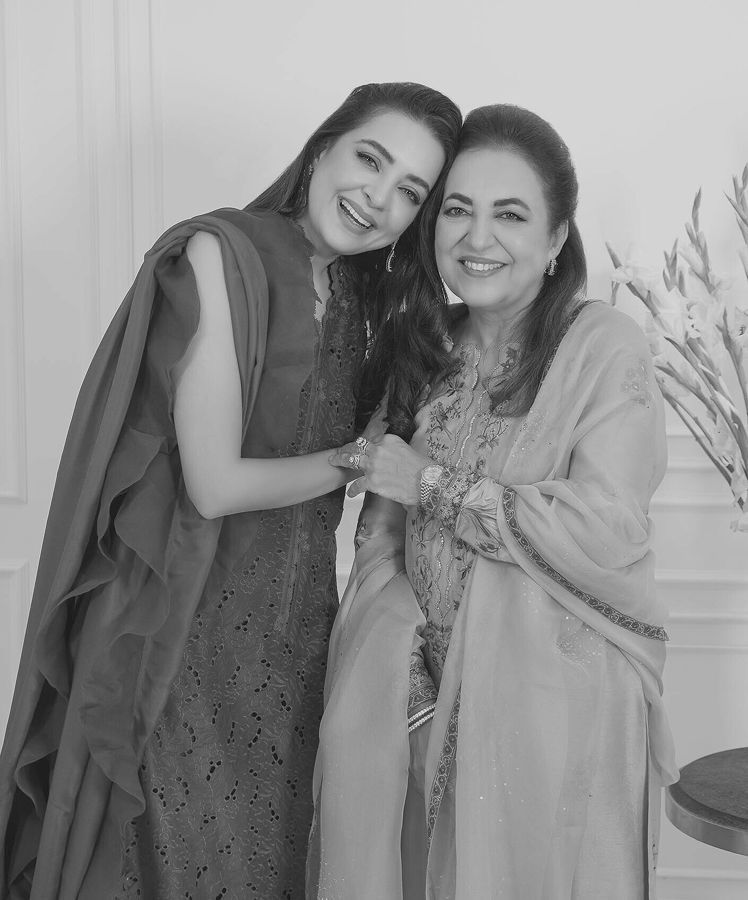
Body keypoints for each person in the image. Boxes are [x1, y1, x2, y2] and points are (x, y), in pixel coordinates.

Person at [0, 82, 461, 899]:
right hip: (184, 638)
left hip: (297, 649)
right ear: (322, 149)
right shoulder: (220, 254)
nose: (377, 198)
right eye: (370, 159)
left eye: (410, 192)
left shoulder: (364, 303)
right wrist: (361, 458)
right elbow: (213, 485)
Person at [315, 104, 678, 899]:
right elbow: (379, 539)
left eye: (510, 215)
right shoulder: (423, 346)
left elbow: (607, 527)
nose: (478, 238)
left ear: (555, 239)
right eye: (457, 209)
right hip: (419, 699)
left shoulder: (600, 346)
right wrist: (412, 690)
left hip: (559, 712)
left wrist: (434, 485)